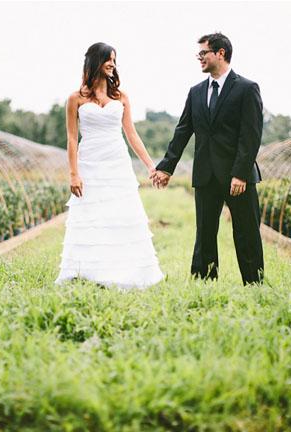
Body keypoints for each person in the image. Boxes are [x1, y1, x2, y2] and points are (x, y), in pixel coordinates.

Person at [151, 32, 265, 285]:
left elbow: (251, 136)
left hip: (239, 176)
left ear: (220, 53)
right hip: (205, 174)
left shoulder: (247, 88)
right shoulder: (195, 92)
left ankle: (254, 284)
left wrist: (240, 173)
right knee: (204, 234)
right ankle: (204, 283)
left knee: (246, 233)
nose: (199, 58)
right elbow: (182, 131)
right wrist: (166, 167)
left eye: (203, 53)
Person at [55, 42, 164, 289]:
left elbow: (132, 134)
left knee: (120, 216)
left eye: (114, 60)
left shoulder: (121, 97)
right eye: (108, 59)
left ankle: (124, 271)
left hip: (117, 164)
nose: (112, 64)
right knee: (91, 217)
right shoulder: (75, 99)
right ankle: (88, 271)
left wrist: (150, 165)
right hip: (90, 164)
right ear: (95, 61)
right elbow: (72, 138)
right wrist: (74, 174)